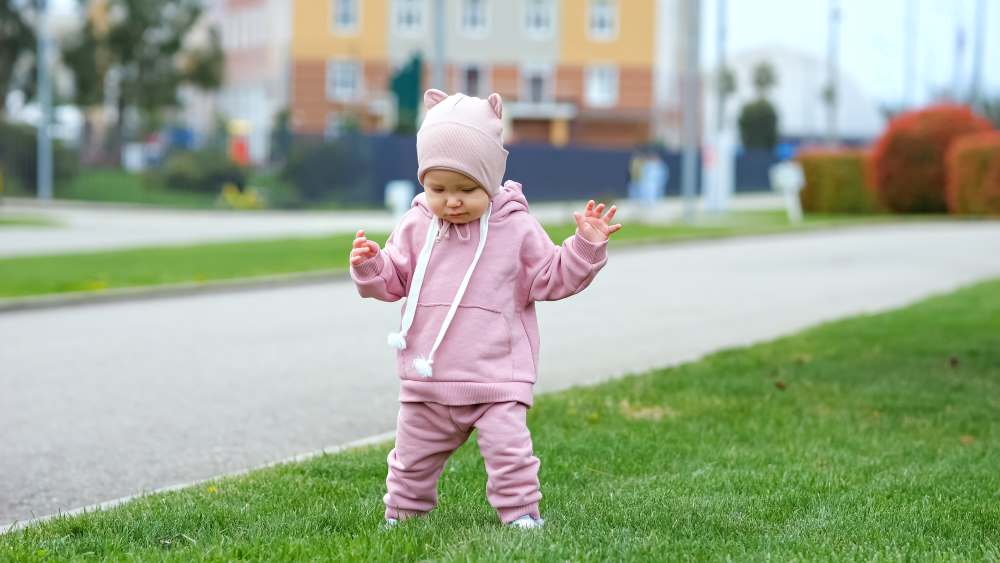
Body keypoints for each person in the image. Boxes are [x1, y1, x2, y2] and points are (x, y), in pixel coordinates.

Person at [349, 89, 622, 530]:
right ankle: (402, 514)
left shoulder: (514, 226)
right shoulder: (418, 224)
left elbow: (552, 275)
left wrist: (584, 246)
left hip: (497, 376)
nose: (451, 201)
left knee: (510, 452)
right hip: (429, 377)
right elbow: (394, 278)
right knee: (411, 457)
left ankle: (520, 516)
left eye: (466, 189)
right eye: (438, 188)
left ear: (491, 181)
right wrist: (370, 265)